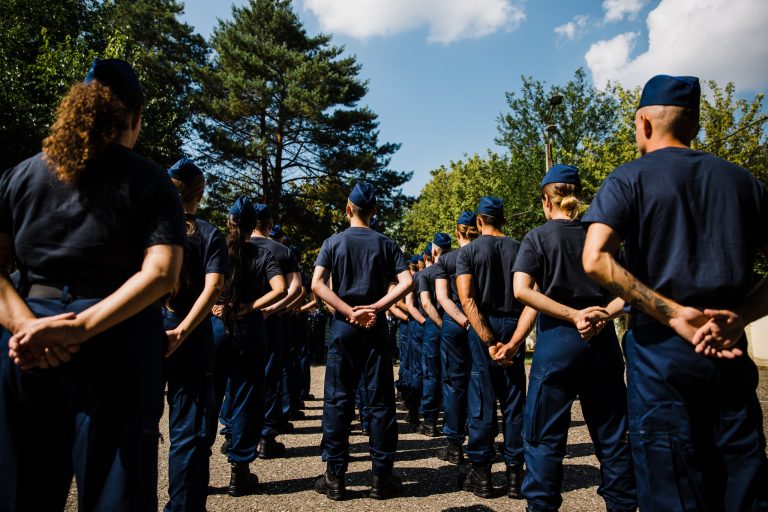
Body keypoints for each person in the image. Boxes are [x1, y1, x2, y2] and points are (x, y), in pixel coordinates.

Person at [0, 58, 185, 510]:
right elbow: (162, 273)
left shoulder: (20, 176)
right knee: (114, 498)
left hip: (25, 348)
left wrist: (28, 328)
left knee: (24, 493)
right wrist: (78, 329)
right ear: (135, 117)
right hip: (113, 345)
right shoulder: (149, 179)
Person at [581, 74, 768, 511]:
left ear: (644, 122)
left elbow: (596, 259)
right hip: (728, 349)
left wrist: (675, 314)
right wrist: (740, 315)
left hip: (662, 355)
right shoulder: (742, 182)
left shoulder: (629, 179)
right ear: (695, 124)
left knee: (672, 490)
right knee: (741, 487)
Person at [499, 164, 636, 512]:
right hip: (601, 342)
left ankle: (542, 507)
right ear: (580, 196)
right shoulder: (601, 235)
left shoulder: (538, 237)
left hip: (558, 343)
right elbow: (631, 290)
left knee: (544, 438)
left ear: (547, 200)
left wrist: (574, 315)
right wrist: (604, 313)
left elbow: (522, 290)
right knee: (613, 436)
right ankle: (622, 505)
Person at [311, 181, 413, 501]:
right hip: (375, 327)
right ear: (374, 211)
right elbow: (407, 281)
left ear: (347, 208)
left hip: (345, 326)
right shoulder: (386, 243)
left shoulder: (333, 242)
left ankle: (336, 477)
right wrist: (377, 307)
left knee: (338, 398)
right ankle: (381, 477)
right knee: (380, 400)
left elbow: (317, 284)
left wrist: (348, 311)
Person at [455, 196, 537, 500]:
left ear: (478, 222)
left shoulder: (470, 252)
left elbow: (467, 299)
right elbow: (531, 295)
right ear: (504, 220)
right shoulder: (521, 248)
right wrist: (514, 342)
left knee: (482, 398)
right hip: (515, 323)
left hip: (484, 325)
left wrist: (489, 341)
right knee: (515, 400)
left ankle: (483, 474)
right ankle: (516, 475)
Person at [163, 157, 228, 511]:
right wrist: (184, 329)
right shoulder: (208, 234)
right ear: (200, 193)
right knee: (189, 431)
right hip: (192, 337)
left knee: (137, 425)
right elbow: (214, 285)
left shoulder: (148, 230)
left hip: (149, 328)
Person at [215, 197, 286, 496]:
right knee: (246, 397)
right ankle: (238, 471)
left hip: (216, 327)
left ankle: (193, 470)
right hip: (249, 330)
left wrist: (215, 308)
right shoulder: (261, 253)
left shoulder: (216, 248)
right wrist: (249, 308)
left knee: (206, 395)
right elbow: (281, 289)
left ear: (230, 222)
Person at [249, 204, 303, 457]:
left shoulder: (233, 245)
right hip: (271, 320)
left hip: (238, 319)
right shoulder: (282, 250)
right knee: (270, 376)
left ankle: (233, 433)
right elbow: (296, 289)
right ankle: (265, 437)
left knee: (239, 376)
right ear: (270, 225)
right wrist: (271, 308)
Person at [434, 211, 479, 464]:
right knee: (479, 382)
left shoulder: (447, 260)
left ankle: (453, 444)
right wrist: (475, 321)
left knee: (454, 383)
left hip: (455, 323)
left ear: (457, 230)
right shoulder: (483, 253)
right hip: (480, 323)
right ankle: (479, 438)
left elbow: (443, 298)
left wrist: (462, 319)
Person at [416, 234, 452, 437]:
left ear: (434, 250)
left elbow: (427, 304)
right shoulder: (455, 268)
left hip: (435, 326)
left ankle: (430, 421)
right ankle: (452, 420)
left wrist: (440, 324)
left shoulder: (427, 273)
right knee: (451, 374)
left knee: (431, 373)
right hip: (452, 322)